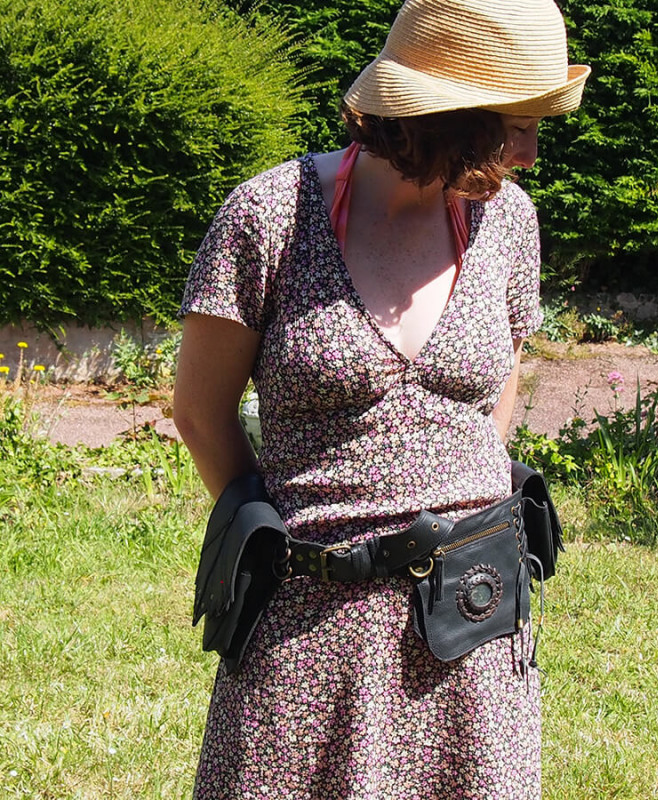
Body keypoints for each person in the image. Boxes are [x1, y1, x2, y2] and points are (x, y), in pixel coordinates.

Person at [173, 0, 589, 796]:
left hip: (471, 627)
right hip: (306, 633)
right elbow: (199, 412)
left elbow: (499, 377)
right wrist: (301, 531)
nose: (533, 151)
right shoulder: (270, 217)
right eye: (517, 124)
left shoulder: (508, 221)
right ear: (439, 116)